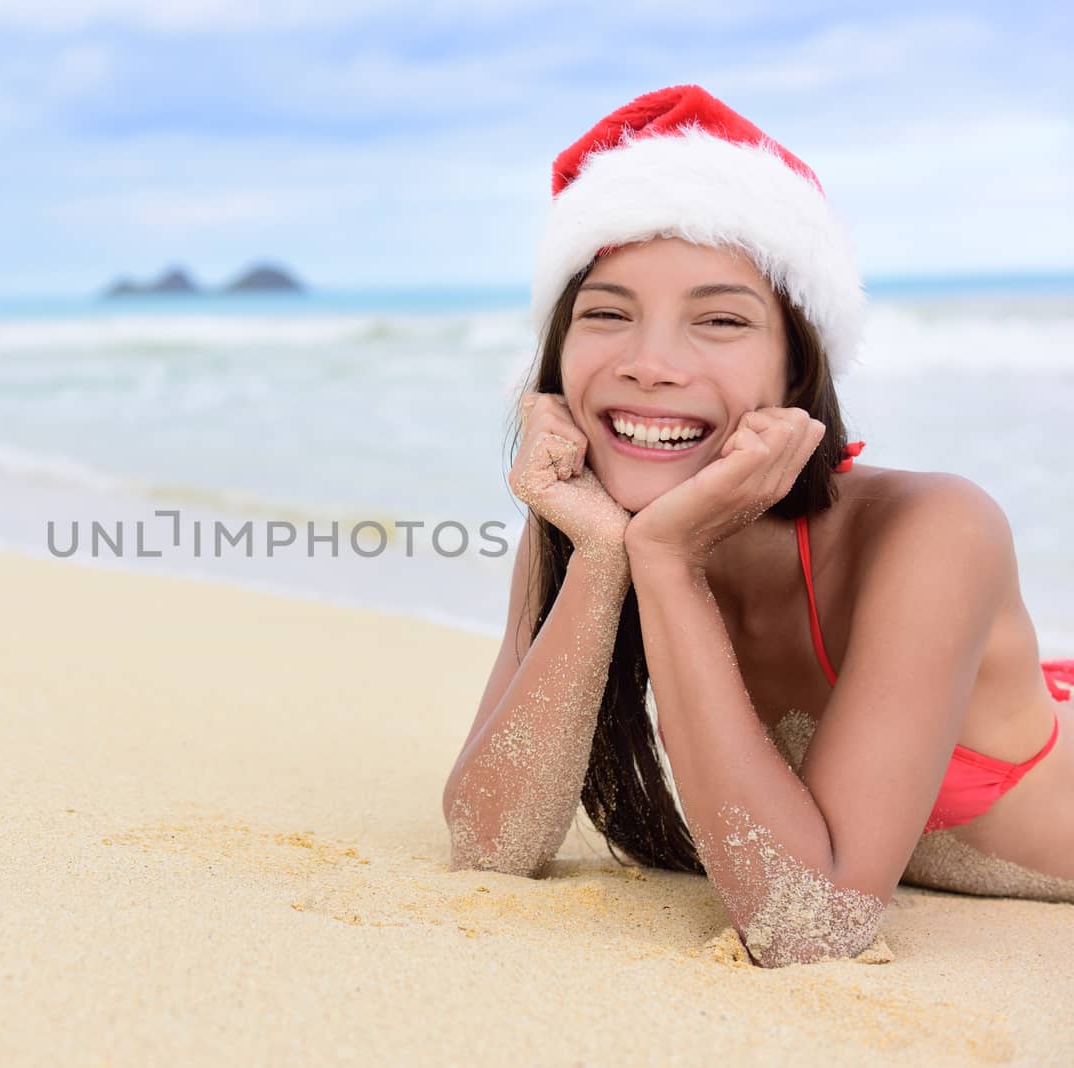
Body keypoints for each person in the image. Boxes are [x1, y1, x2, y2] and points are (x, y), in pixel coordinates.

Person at [440, 85, 1074, 967]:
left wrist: (666, 563)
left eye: (722, 320)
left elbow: (808, 927)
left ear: (798, 366)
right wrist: (601, 558)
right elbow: (491, 844)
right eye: (607, 313)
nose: (651, 364)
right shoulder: (588, 526)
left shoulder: (936, 530)